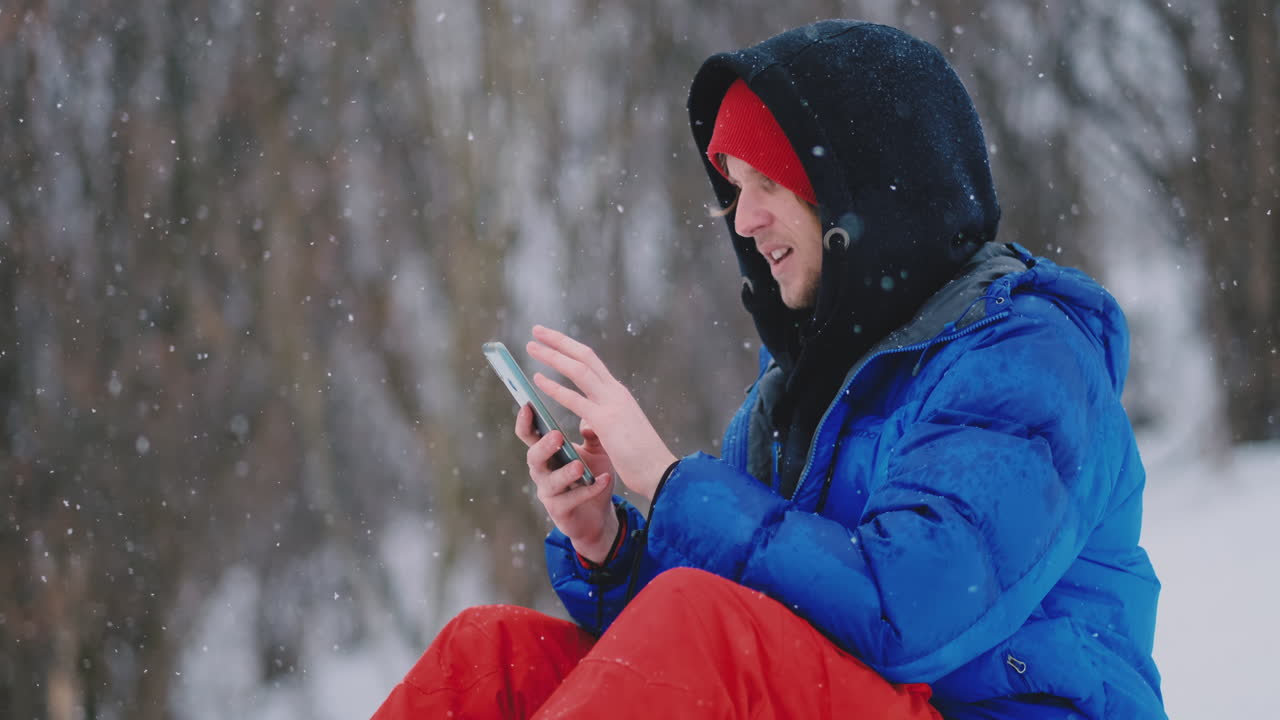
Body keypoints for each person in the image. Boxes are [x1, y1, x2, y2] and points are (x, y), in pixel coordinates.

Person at [372, 20, 1166, 720]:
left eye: (769, 185)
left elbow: (914, 611)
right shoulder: (795, 394)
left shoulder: (1025, 358)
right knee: (493, 659)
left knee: (701, 625)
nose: (745, 222)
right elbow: (714, 635)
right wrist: (609, 540)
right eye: (736, 192)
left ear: (864, 195)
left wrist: (671, 482)